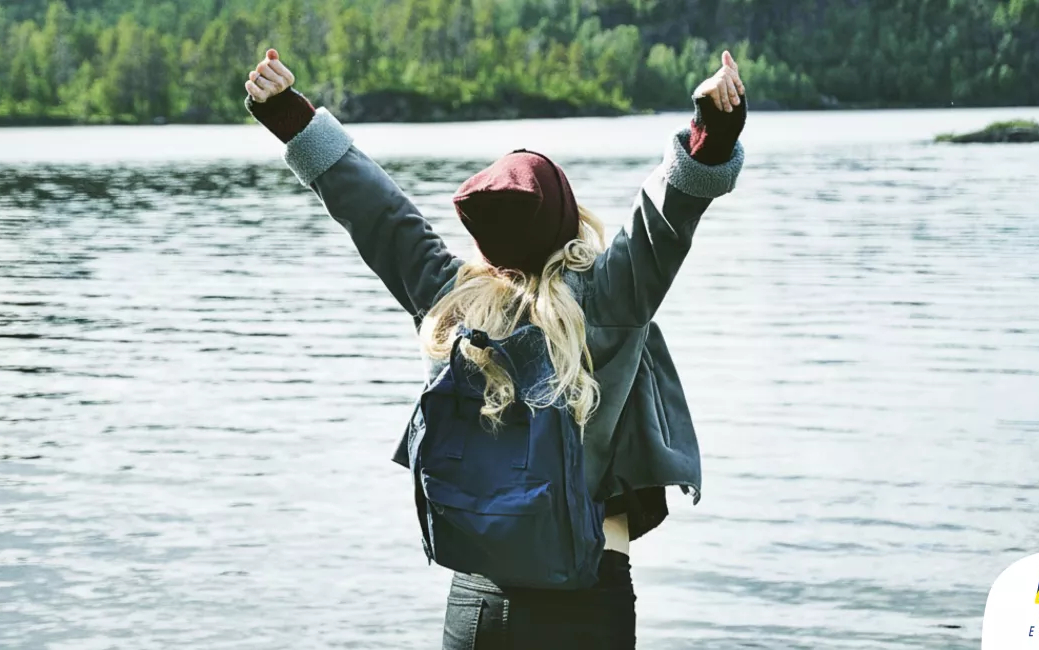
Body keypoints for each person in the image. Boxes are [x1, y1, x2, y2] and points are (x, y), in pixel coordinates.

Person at [244, 46, 746, 650]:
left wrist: (290, 117)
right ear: (567, 215)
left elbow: (375, 211)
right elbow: (670, 209)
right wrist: (713, 128)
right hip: (587, 598)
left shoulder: (452, 301)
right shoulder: (612, 296)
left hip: (476, 602)